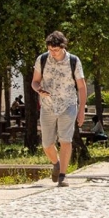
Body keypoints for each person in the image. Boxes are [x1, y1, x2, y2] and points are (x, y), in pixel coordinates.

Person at [31, 31, 87, 187]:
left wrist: (81, 110)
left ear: (63, 47)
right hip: (48, 106)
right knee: (47, 144)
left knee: (65, 140)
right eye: (50, 50)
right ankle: (56, 163)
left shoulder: (74, 61)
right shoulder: (41, 60)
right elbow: (34, 82)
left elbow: (81, 87)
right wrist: (38, 90)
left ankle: (63, 175)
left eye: (56, 50)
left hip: (68, 105)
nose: (53, 53)